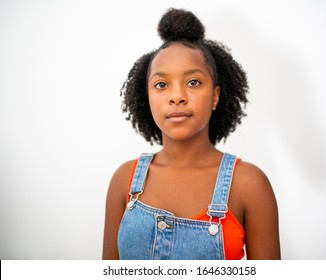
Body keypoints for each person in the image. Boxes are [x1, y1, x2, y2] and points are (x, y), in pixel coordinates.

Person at [102, 8, 280, 260]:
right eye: (161, 85)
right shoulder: (125, 181)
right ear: (148, 97)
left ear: (215, 96)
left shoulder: (250, 185)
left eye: (193, 82)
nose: (177, 96)